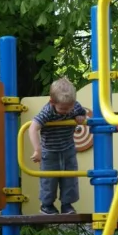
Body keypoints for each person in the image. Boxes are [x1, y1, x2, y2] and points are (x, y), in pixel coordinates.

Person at [29, 77, 87, 215]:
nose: (67, 111)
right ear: (52, 102)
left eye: (70, 107)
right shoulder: (47, 111)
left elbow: (82, 114)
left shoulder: (74, 106)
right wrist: (37, 150)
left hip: (68, 148)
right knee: (49, 179)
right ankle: (46, 205)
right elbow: (32, 128)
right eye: (62, 108)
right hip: (49, 151)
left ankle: (67, 205)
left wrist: (80, 118)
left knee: (70, 178)